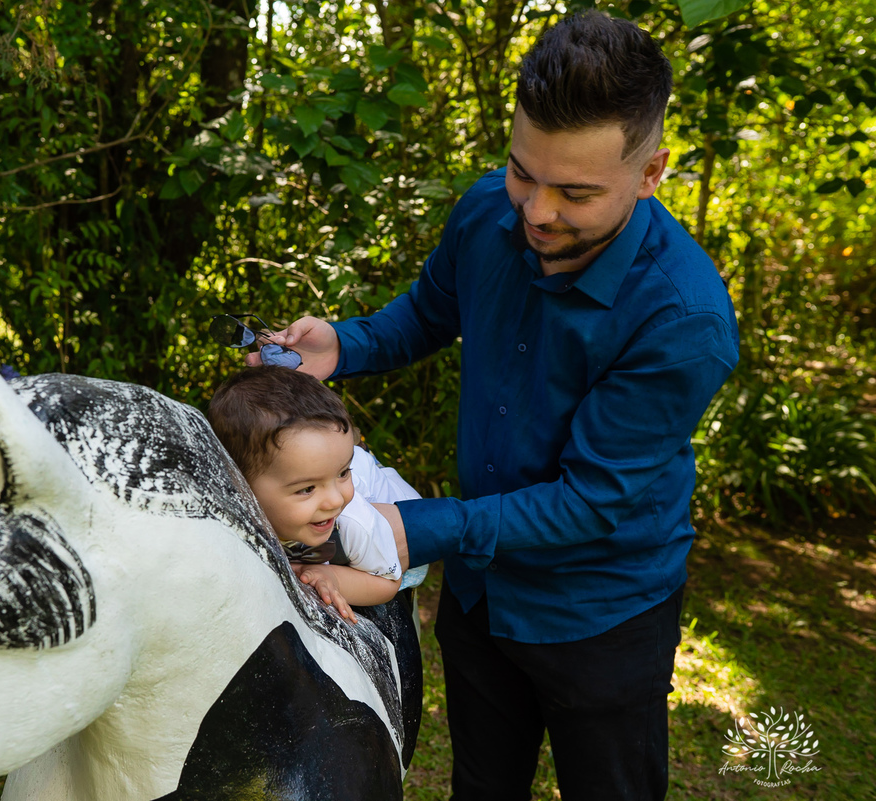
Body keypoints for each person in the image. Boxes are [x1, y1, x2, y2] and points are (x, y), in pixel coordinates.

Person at [247, 11, 740, 801]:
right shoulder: (488, 211)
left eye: (575, 191)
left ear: (651, 173)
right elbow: (429, 313)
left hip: (603, 612)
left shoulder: (683, 319)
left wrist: (415, 528)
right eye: (522, 172)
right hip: (482, 591)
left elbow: (591, 500)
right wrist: (343, 345)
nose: (537, 211)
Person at [207, 366, 419, 623]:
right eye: (307, 489)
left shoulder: (353, 521)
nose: (335, 500)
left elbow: (389, 583)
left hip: (395, 520)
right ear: (240, 484)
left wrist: (334, 577)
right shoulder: (223, 507)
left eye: (343, 473)